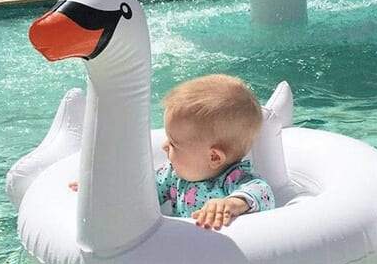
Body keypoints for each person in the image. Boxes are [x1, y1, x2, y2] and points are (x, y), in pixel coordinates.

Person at [69, 74, 274, 230]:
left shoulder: (235, 179)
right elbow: (141, 192)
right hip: (182, 254)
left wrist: (231, 204)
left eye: (174, 143)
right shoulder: (172, 176)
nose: (164, 146)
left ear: (214, 157)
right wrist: (106, 188)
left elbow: (262, 192)